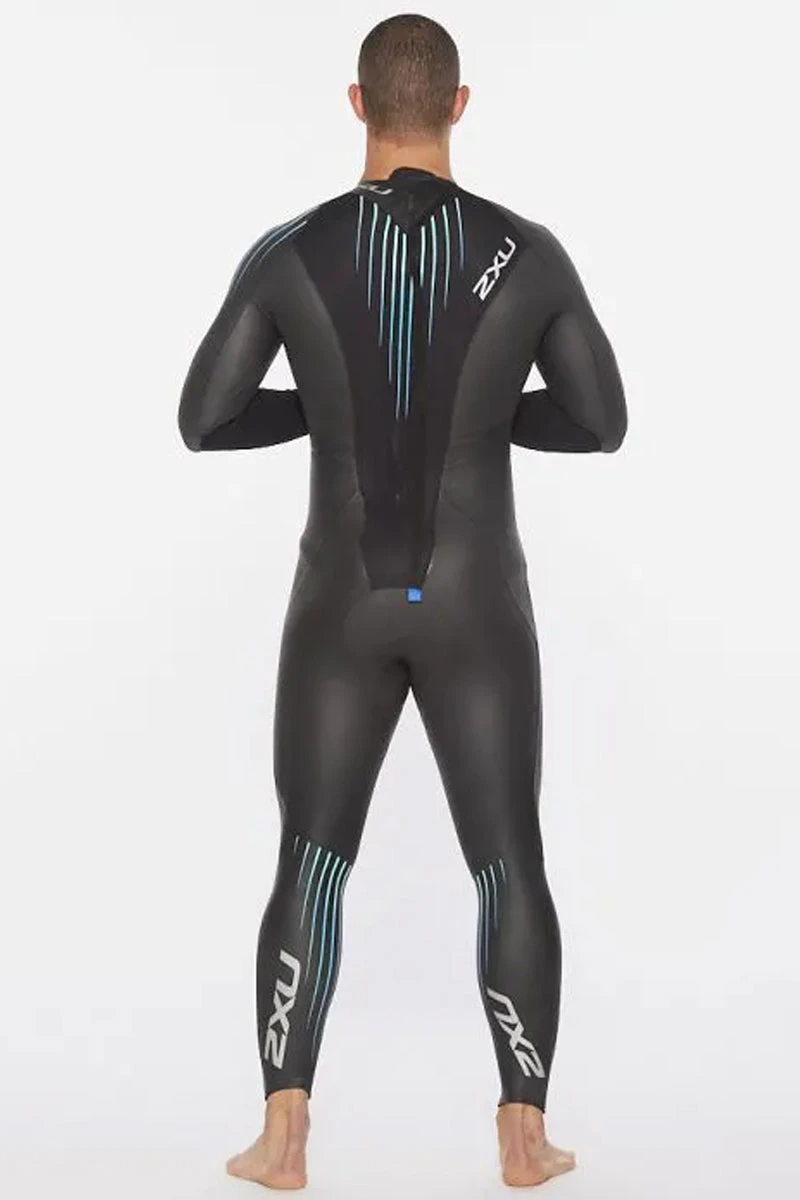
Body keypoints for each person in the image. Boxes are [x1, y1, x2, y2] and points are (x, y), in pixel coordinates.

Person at [178, 12, 627, 1190]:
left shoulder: (290, 252)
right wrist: (486, 415)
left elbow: (205, 418)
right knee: (507, 861)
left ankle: (282, 1138)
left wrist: (330, 410)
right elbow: (599, 421)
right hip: (477, 610)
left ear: (356, 104)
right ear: (458, 106)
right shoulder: (525, 253)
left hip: (339, 610)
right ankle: (522, 1136)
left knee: (310, 863)